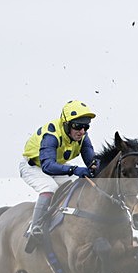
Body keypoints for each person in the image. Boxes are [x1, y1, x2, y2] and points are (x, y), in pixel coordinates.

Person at [19, 100, 98, 250]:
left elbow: (92, 161)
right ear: (67, 124)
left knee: (80, 182)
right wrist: (74, 169)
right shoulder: (52, 135)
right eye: (77, 126)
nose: (82, 131)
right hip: (34, 166)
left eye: (86, 126)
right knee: (49, 187)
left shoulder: (83, 136)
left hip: (55, 166)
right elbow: (48, 166)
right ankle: (35, 228)